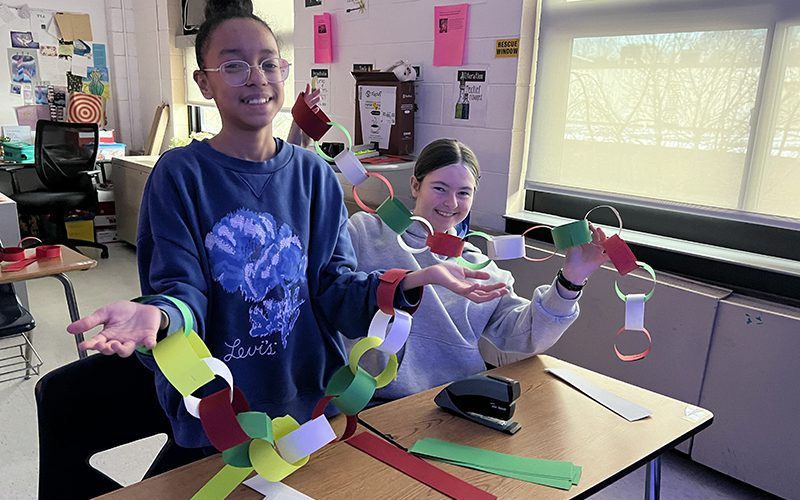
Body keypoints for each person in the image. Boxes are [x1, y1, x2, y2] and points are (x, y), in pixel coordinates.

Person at [66, 0, 506, 453]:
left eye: (269, 63)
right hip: (223, 412)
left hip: (313, 403)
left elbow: (334, 288)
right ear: (204, 82)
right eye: (234, 65)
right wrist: (161, 314)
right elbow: (183, 287)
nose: (257, 77)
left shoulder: (314, 176)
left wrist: (416, 278)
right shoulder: (181, 175)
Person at [345, 138, 609, 403]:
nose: (451, 202)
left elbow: (525, 335)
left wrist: (571, 279)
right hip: (372, 401)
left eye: (463, 193)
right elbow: (330, 292)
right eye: (440, 188)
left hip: (452, 403)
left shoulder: (478, 269)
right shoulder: (366, 233)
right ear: (415, 185)